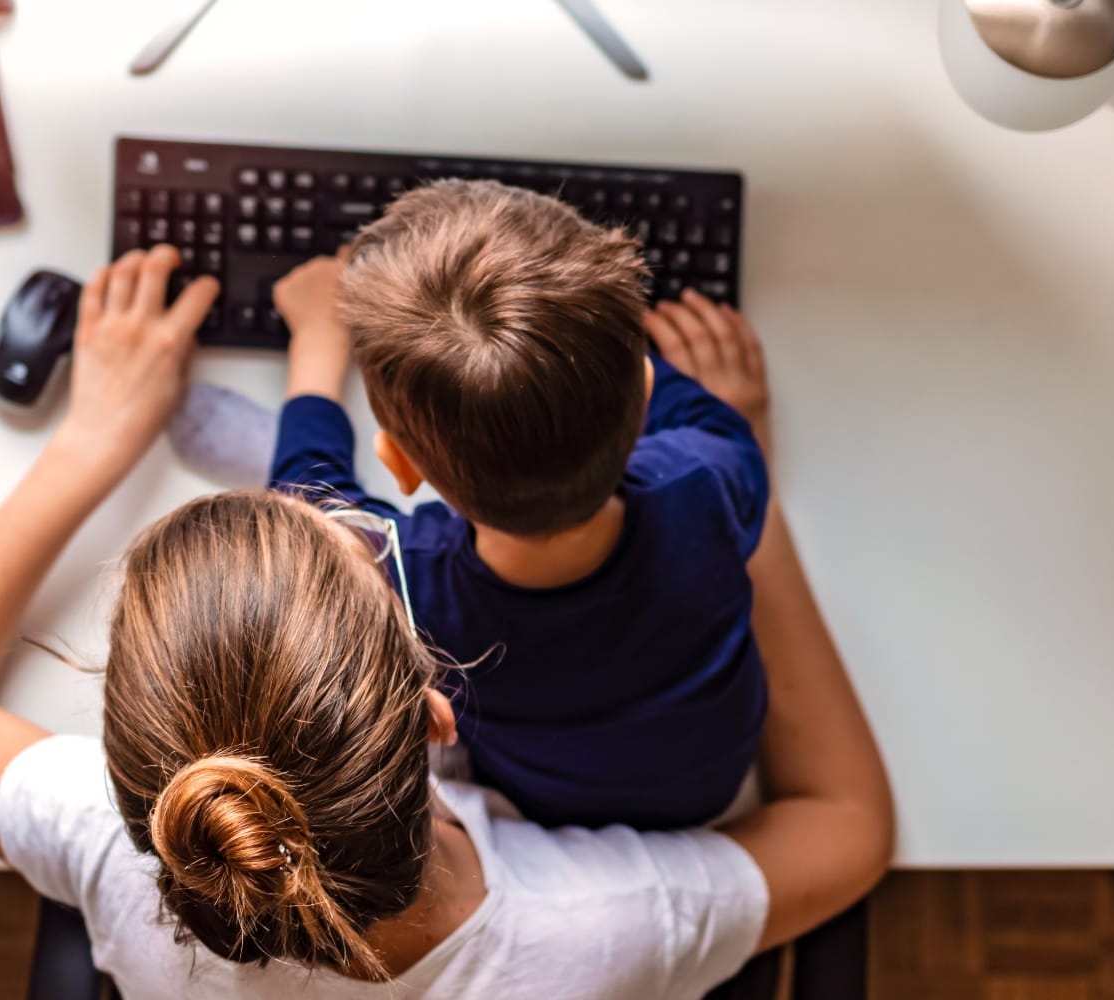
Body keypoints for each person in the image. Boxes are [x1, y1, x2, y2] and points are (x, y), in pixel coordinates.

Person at [0, 245, 893, 997]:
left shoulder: (137, 858)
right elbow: (849, 828)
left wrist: (94, 437)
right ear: (444, 718)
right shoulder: (599, 932)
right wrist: (740, 506)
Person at [268, 181, 772, 830]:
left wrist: (315, 345)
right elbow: (703, 419)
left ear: (399, 465)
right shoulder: (711, 472)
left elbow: (305, 509)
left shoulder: (409, 583)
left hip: (545, 804)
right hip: (708, 785)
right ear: (645, 396)